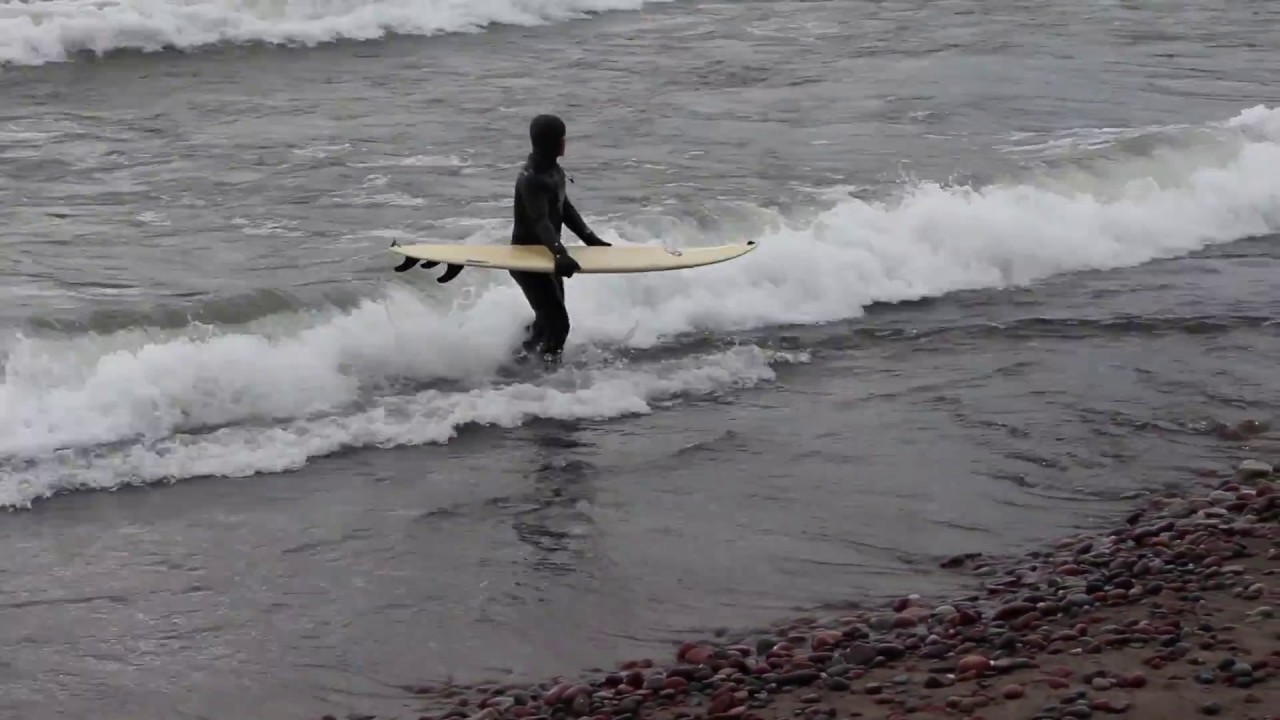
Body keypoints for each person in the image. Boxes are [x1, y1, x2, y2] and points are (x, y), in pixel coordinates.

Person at [509, 113, 611, 361]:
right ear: (552, 142)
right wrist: (560, 254)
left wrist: (590, 238)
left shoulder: (554, 171)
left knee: (548, 319)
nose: (565, 142)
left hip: (548, 256)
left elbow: (564, 208)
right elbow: (540, 220)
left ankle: (519, 358)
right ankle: (546, 376)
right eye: (561, 138)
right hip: (528, 260)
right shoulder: (531, 178)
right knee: (559, 323)